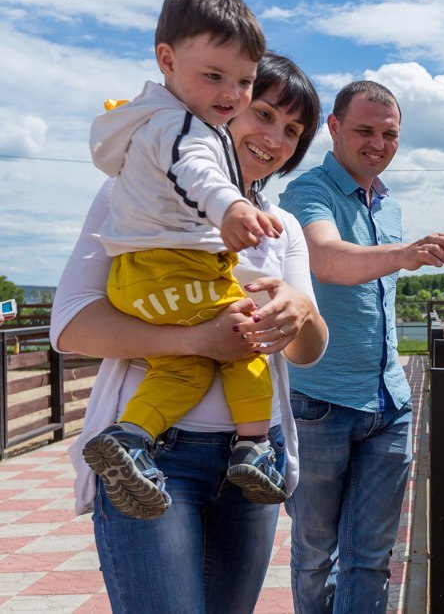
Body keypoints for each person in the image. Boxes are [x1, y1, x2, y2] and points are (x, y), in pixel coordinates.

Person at [52, 51, 327, 612]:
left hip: (255, 457)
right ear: (226, 105)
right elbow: (72, 325)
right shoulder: (131, 196)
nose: (275, 139)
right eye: (266, 114)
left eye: (293, 130)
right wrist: (197, 341)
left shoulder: (284, 226)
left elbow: (307, 352)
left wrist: (300, 310)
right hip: (153, 453)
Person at [84, 0, 288, 519]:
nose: (231, 93)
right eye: (214, 75)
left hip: (143, 279)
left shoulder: (157, 122)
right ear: (167, 60)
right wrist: (232, 209)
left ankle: (129, 437)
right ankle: (257, 449)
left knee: (183, 367)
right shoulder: (181, 125)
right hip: (175, 272)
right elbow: (195, 170)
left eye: (244, 81)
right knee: (245, 338)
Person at [279, 80, 444, 613]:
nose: (378, 143)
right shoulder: (306, 193)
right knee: (317, 554)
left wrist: (400, 249)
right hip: (319, 402)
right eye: (364, 130)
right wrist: (406, 254)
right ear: (334, 129)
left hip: (388, 404)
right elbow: (327, 258)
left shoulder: (389, 206)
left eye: (389, 133)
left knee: (371, 556)